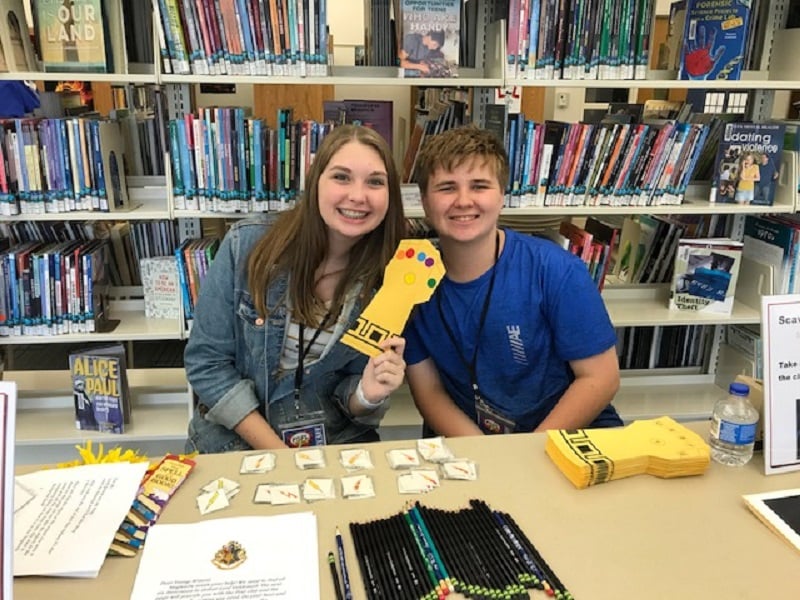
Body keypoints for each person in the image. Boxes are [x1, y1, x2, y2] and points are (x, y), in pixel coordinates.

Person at [185, 125, 408, 453]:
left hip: (331, 448)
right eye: (341, 177)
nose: (358, 195)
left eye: (375, 181)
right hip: (232, 447)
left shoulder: (392, 279)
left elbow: (350, 397)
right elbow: (207, 363)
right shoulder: (247, 247)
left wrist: (366, 394)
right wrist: (281, 456)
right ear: (315, 181)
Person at [403, 126, 622, 437]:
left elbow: (601, 379)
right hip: (470, 442)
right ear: (424, 201)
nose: (464, 201)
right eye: (447, 188)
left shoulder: (556, 270)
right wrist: (489, 456)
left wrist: (525, 455)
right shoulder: (409, 281)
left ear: (502, 197)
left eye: (479, 186)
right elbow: (429, 392)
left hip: (566, 435)